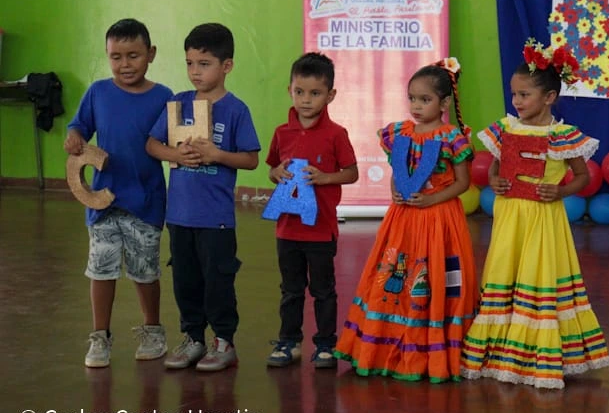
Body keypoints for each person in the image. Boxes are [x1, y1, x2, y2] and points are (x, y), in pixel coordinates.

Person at [460, 39, 609, 389]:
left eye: (524, 95)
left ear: (549, 98)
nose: (517, 102)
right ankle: (501, 352)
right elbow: (497, 168)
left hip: (543, 220)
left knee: (537, 278)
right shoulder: (507, 129)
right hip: (510, 217)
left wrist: (560, 191)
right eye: (514, 95)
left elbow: (583, 176)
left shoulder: (562, 136)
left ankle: (538, 355)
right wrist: (495, 181)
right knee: (505, 273)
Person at [333, 58, 477, 383]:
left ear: (444, 103)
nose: (416, 105)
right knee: (396, 269)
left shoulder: (451, 137)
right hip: (404, 218)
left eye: (424, 99)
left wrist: (430, 199)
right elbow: (400, 173)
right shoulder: (400, 132)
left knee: (435, 272)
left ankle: (434, 345)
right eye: (412, 98)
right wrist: (396, 190)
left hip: (439, 218)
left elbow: (462, 183)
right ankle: (386, 342)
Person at [146, 23, 260, 372]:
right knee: (185, 280)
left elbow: (251, 158)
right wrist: (175, 156)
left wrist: (217, 155)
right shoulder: (178, 104)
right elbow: (152, 145)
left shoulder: (236, 110)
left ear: (226, 66)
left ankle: (223, 342)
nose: (196, 71)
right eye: (190, 63)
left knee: (218, 281)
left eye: (205, 63)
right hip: (179, 216)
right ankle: (193, 338)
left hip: (216, 218)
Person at [64, 18, 173, 368]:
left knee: (145, 271)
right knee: (101, 268)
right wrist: (74, 136)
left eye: (133, 55)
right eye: (116, 57)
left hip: (146, 201)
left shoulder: (164, 97)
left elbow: (174, 141)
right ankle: (100, 337)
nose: (125, 64)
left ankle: (153, 329)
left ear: (151, 54)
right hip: (102, 201)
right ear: (107, 56)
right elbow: (78, 126)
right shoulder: (97, 92)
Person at [265, 52, 359, 369]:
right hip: (287, 229)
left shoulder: (337, 134)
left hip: (320, 229)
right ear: (290, 90)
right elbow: (273, 170)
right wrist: (276, 173)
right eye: (299, 92)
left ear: (330, 95)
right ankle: (289, 341)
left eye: (315, 93)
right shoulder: (282, 133)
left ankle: (325, 345)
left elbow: (352, 172)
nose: (306, 100)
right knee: (290, 290)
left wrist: (325, 177)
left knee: (323, 290)